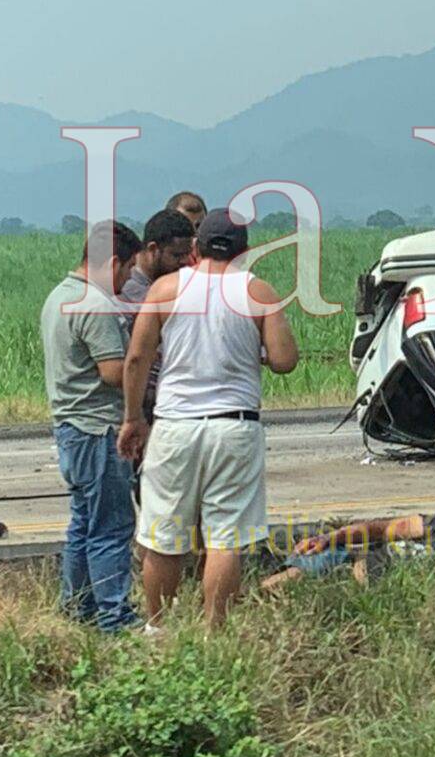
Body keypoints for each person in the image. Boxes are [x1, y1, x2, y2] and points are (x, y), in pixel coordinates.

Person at [119, 209, 299, 628]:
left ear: (196, 247)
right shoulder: (259, 292)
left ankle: (157, 629)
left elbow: (136, 359)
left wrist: (133, 419)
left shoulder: (164, 289)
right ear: (245, 250)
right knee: (226, 539)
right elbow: (286, 360)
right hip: (234, 426)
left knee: (163, 536)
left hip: (175, 425)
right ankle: (214, 633)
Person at [39, 219, 143, 632]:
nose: (127, 279)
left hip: (69, 426)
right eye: (127, 269)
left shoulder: (59, 296)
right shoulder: (97, 306)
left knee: (83, 524)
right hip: (98, 428)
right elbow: (114, 372)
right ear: (113, 262)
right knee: (112, 528)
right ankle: (114, 616)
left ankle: (76, 606)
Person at [261, 510, 435, 591]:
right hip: (358, 556)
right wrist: (331, 537)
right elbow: (384, 529)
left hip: (372, 580)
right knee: (305, 567)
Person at [120, 209, 197, 421]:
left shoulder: (178, 286)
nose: (184, 262)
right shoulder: (126, 291)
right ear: (153, 249)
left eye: (187, 255)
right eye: (176, 255)